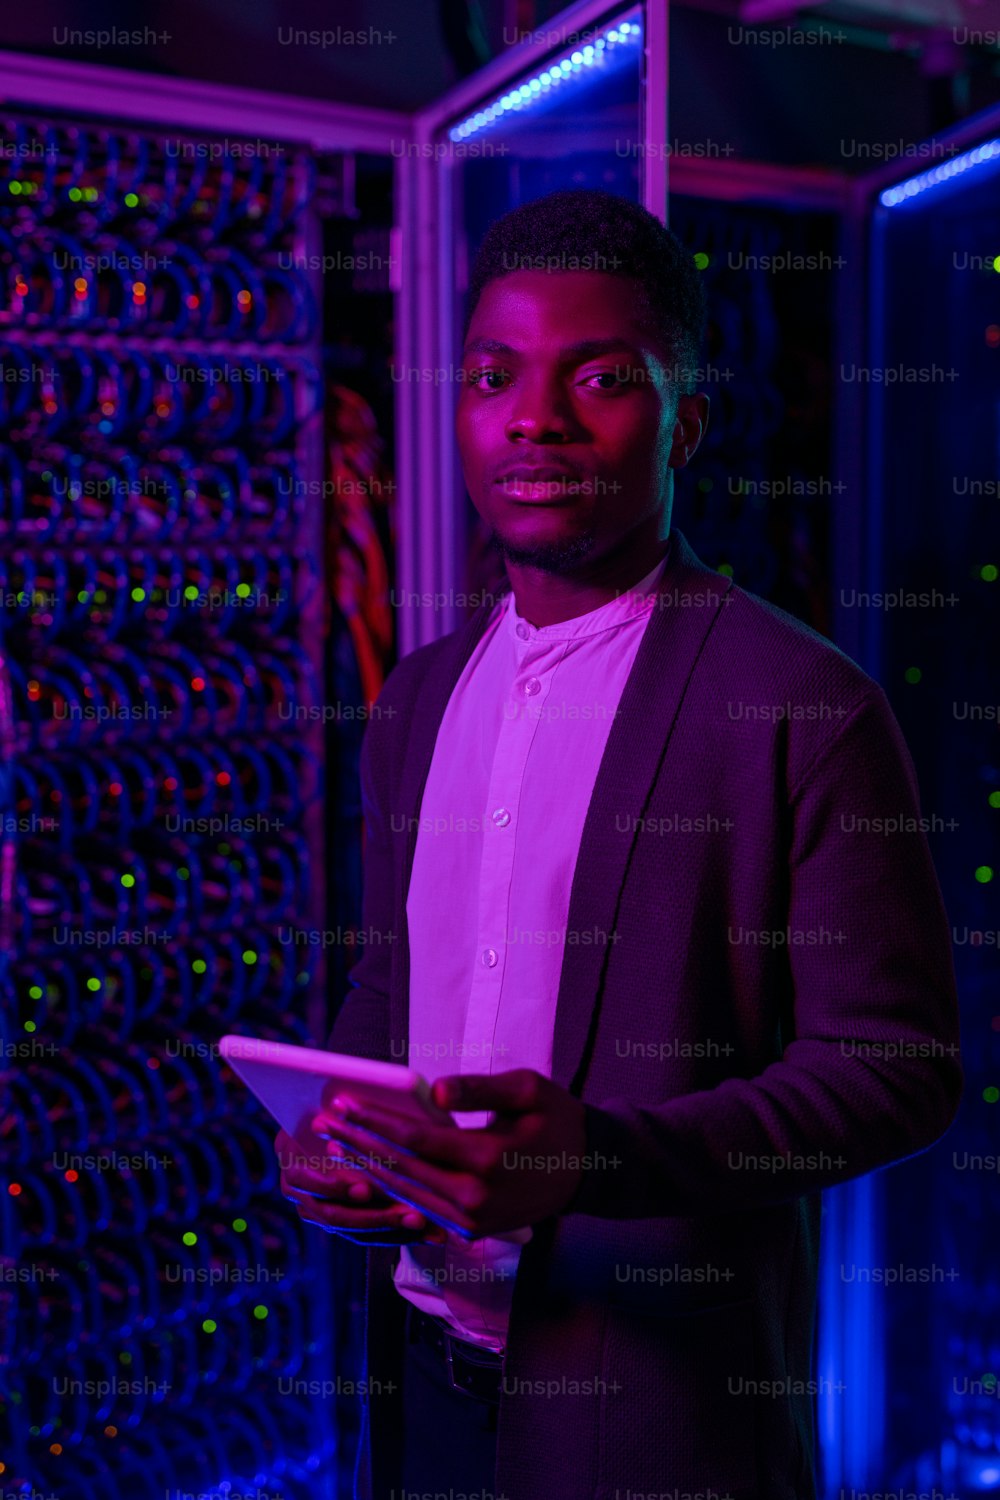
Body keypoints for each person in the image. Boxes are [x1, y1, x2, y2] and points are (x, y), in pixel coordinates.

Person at [277, 188, 963, 1500]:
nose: (534, 418)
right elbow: (391, 992)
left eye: (600, 378)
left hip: (654, 1408)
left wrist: (598, 1159)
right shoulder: (417, 697)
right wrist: (331, 1130)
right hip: (420, 1381)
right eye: (493, 376)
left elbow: (897, 1069)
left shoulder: (801, 705)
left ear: (685, 424)